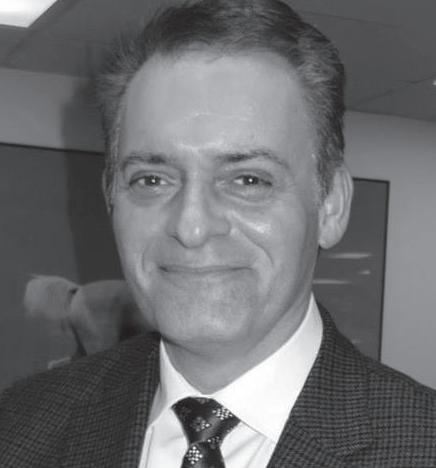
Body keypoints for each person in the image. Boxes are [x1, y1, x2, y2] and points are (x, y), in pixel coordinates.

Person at [1, 0, 436, 466]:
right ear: (111, 197)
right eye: (152, 179)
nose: (191, 227)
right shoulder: (19, 426)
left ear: (331, 204)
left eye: (248, 180)